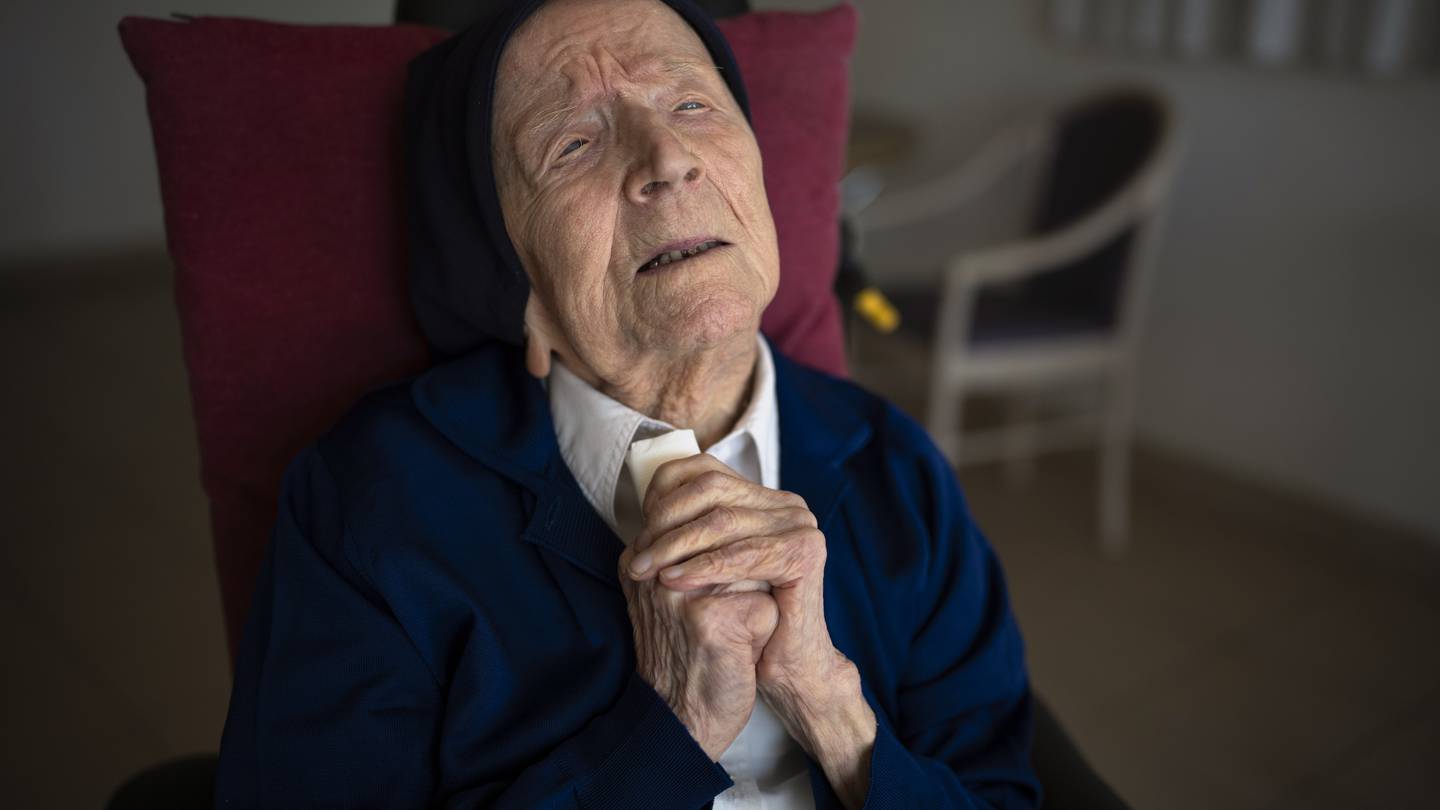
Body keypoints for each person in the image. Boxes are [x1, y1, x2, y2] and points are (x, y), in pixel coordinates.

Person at [214, 0, 1039, 807]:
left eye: (690, 103)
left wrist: (832, 708)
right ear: (507, 274)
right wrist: (669, 731)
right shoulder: (373, 504)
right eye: (573, 143)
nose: (667, 159)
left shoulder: (895, 467)